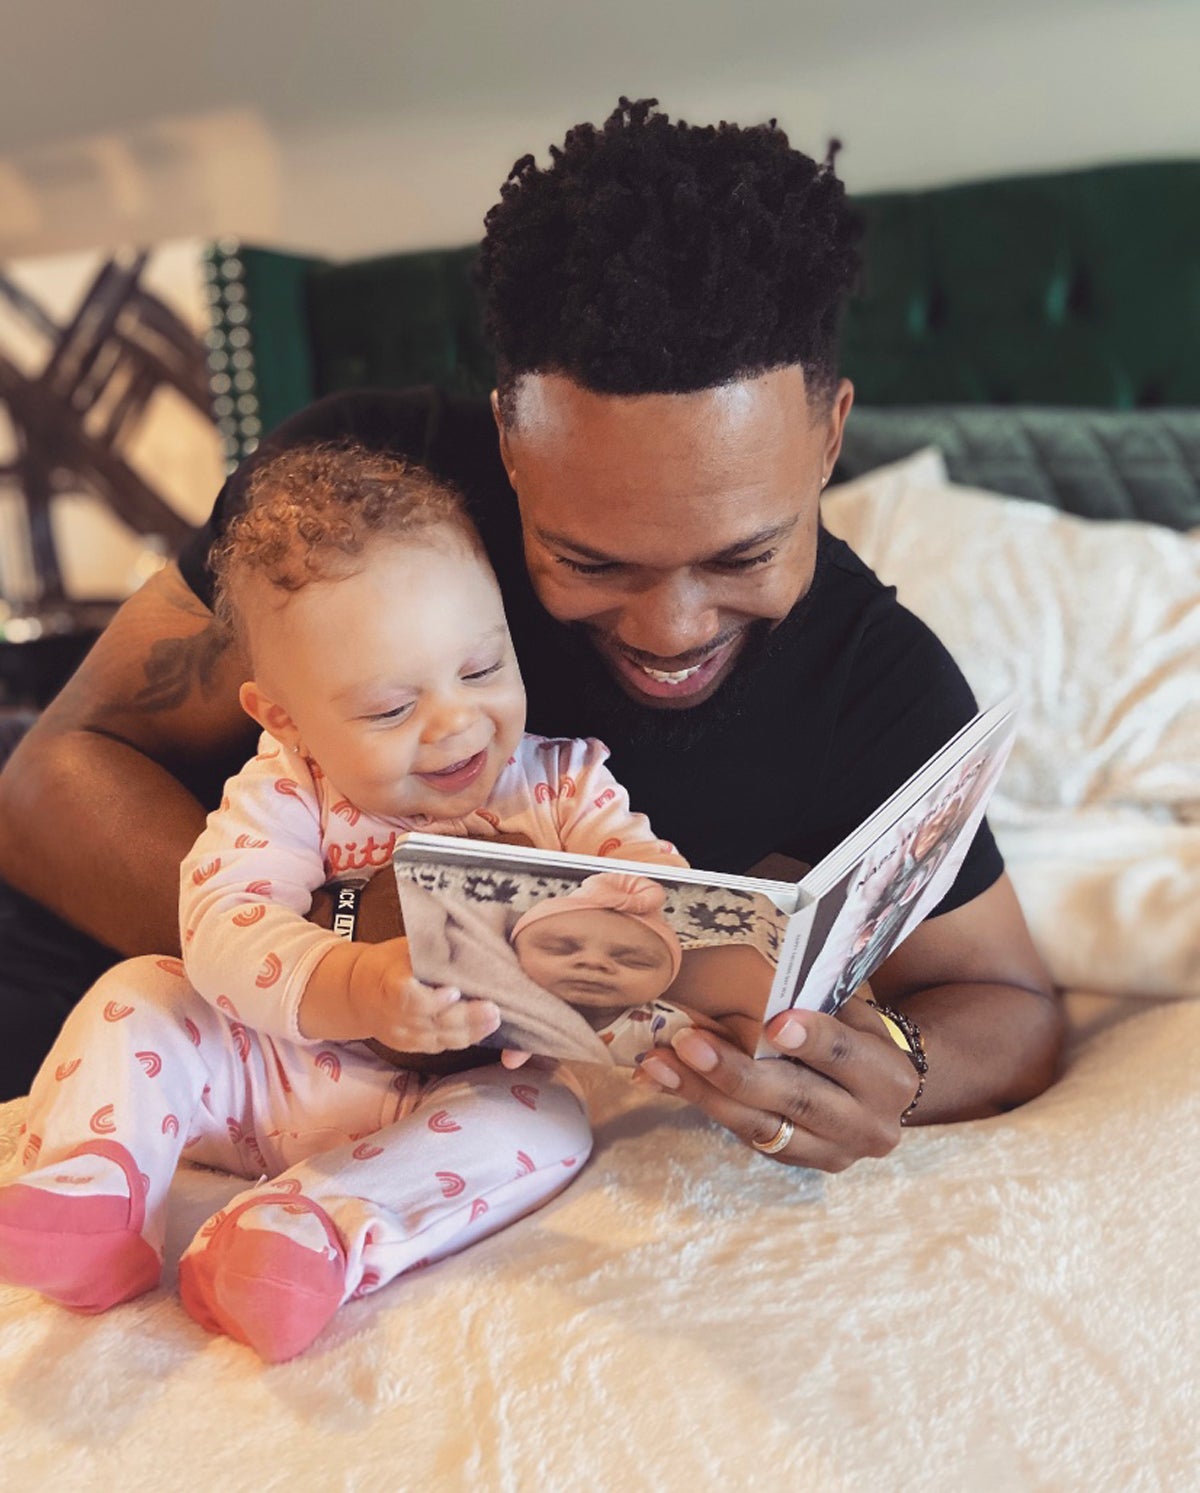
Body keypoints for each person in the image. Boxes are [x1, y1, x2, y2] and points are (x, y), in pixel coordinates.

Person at [0, 98, 1062, 1170]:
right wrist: (336, 957)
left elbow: (1009, 1002)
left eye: (742, 556)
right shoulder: (363, 498)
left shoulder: (872, 682)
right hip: (109, 996)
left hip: (417, 1135)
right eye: (594, 561)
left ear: (829, 433)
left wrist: (900, 1064)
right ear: (510, 438)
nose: (670, 629)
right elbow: (50, 776)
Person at [0, 444, 685, 1361]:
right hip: (259, 1076)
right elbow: (219, 923)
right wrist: (358, 981)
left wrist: (645, 892)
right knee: (139, 994)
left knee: (551, 1119)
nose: (456, 723)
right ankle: (97, 1184)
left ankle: (307, 1227)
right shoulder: (289, 792)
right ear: (282, 716)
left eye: (482, 669)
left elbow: (643, 866)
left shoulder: (556, 783)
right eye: (391, 708)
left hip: (432, 1095)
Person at [510, 870, 765, 1064]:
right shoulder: (514, 1005)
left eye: (632, 961)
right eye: (561, 948)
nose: (594, 963)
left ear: (666, 981)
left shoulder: (661, 1023)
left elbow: (730, 1051)